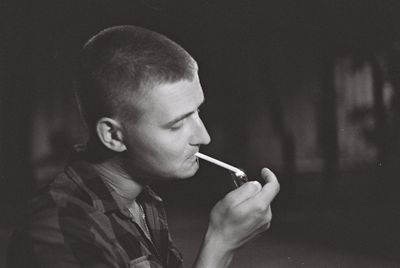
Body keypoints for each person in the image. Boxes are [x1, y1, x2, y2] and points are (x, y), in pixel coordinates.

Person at [7, 25, 280, 268]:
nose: (204, 137)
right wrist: (220, 245)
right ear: (113, 136)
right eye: (176, 124)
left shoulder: (143, 200)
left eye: (197, 112)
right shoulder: (59, 231)